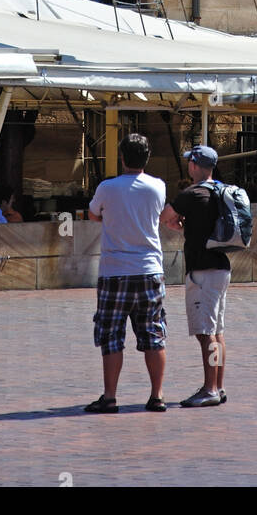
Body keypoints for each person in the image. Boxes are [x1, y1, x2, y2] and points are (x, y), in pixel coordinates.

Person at [85, 133, 168, 414]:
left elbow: (93, 214)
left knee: (111, 335)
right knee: (154, 335)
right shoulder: (158, 187)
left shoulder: (107, 187)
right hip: (149, 270)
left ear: (121, 158)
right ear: (147, 158)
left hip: (114, 271)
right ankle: (157, 395)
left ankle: (110, 396)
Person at [160, 145, 230, 408]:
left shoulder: (192, 194)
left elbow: (165, 217)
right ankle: (218, 386)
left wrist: (177, 223)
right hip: (222, 267)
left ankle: (210, 388)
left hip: (203, 270)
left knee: (205, 333)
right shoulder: (221, 190)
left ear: (194, 165)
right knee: (217, 331)